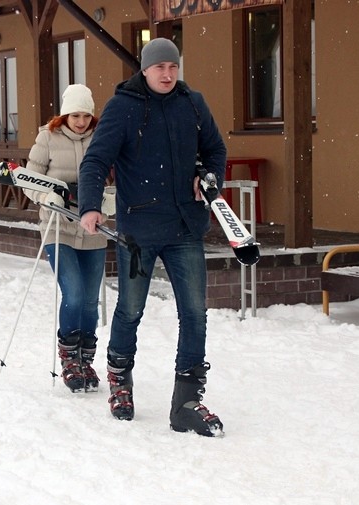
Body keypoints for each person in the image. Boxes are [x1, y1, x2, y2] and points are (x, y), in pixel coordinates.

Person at [77, 38, 227, 436]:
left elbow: (215, 150)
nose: (167, 74)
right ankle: (120, 382)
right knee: (130, 310)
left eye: (173, 67)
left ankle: (187, 402)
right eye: (160, 67)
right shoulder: (123, 107)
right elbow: (96, 160)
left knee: (194, 313)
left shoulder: (192, 104)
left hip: (185, 229)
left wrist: (210, 178)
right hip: (138, 233)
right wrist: (90, 205)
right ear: (144, 70)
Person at [24, 84, 114, 393]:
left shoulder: (102, 137)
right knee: (73, 294)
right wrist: (48, 195)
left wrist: (110, 201)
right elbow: (28, 180)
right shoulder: (47, 138)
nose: (80, 121)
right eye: (75, 115)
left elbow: (114, 178)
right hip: (58, 228)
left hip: (92, 230)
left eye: (86, 115)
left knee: (90, 302)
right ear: (64, 115)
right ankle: (68, 359)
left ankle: (85, 360)